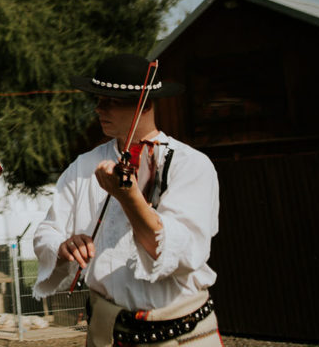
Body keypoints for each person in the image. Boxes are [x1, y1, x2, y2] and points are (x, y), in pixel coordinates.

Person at [33, 53, 220, 347]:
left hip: (180, 334)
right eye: (98, 99)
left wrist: (130, 198)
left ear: (143, 104)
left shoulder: (191, 165)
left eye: (111, 101)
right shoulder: (84, 165)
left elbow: (180, 254)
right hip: (106, 332)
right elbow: (46, 230)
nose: (98, 108)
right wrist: (62, 246)